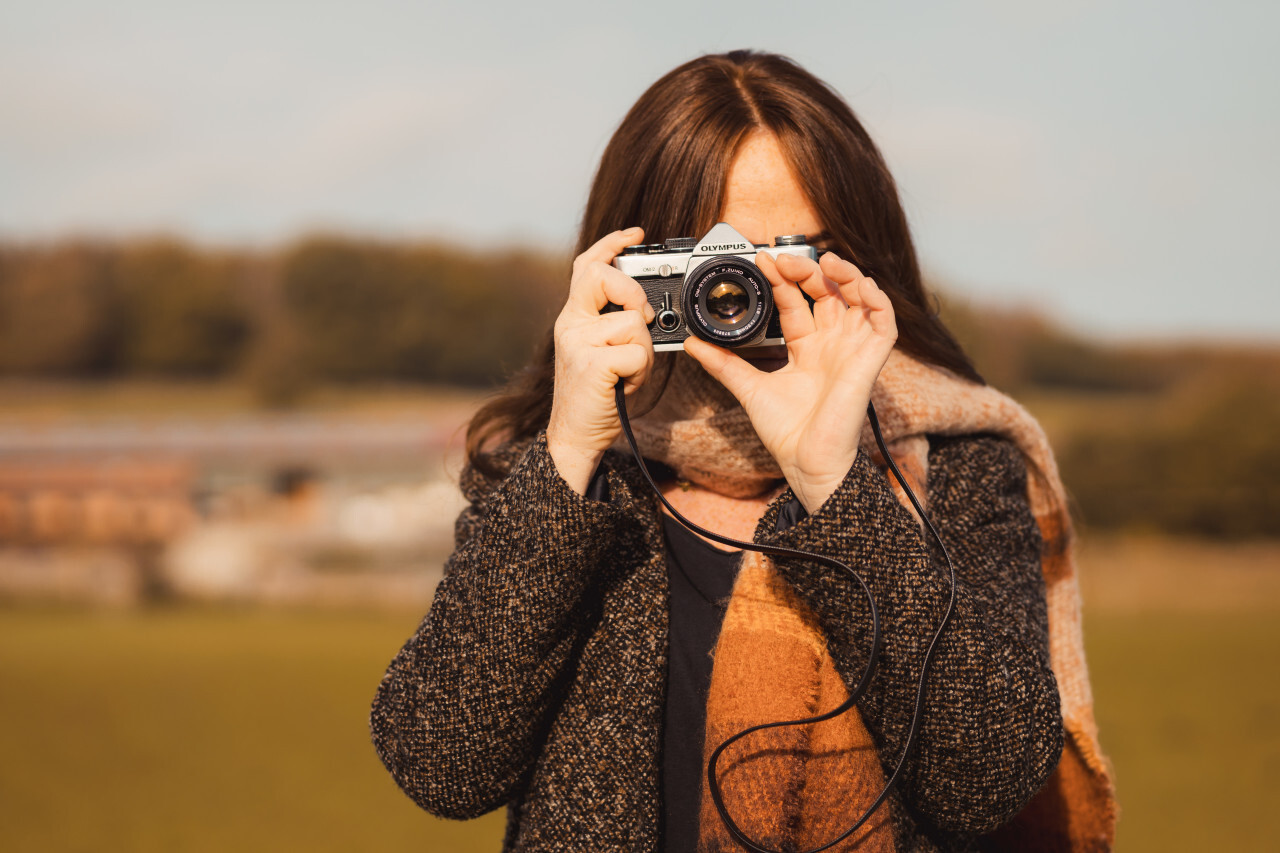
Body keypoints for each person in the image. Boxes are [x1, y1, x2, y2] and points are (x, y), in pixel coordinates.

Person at [370, 51, 1116, 852]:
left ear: (863, 254)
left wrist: (836, 483)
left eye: (793, 256)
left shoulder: (954, 460)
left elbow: (990, 781)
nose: (747, 297)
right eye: (718, 268)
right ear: (638, 266)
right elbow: (441, 763)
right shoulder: (576, 470)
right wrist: (568, 452)